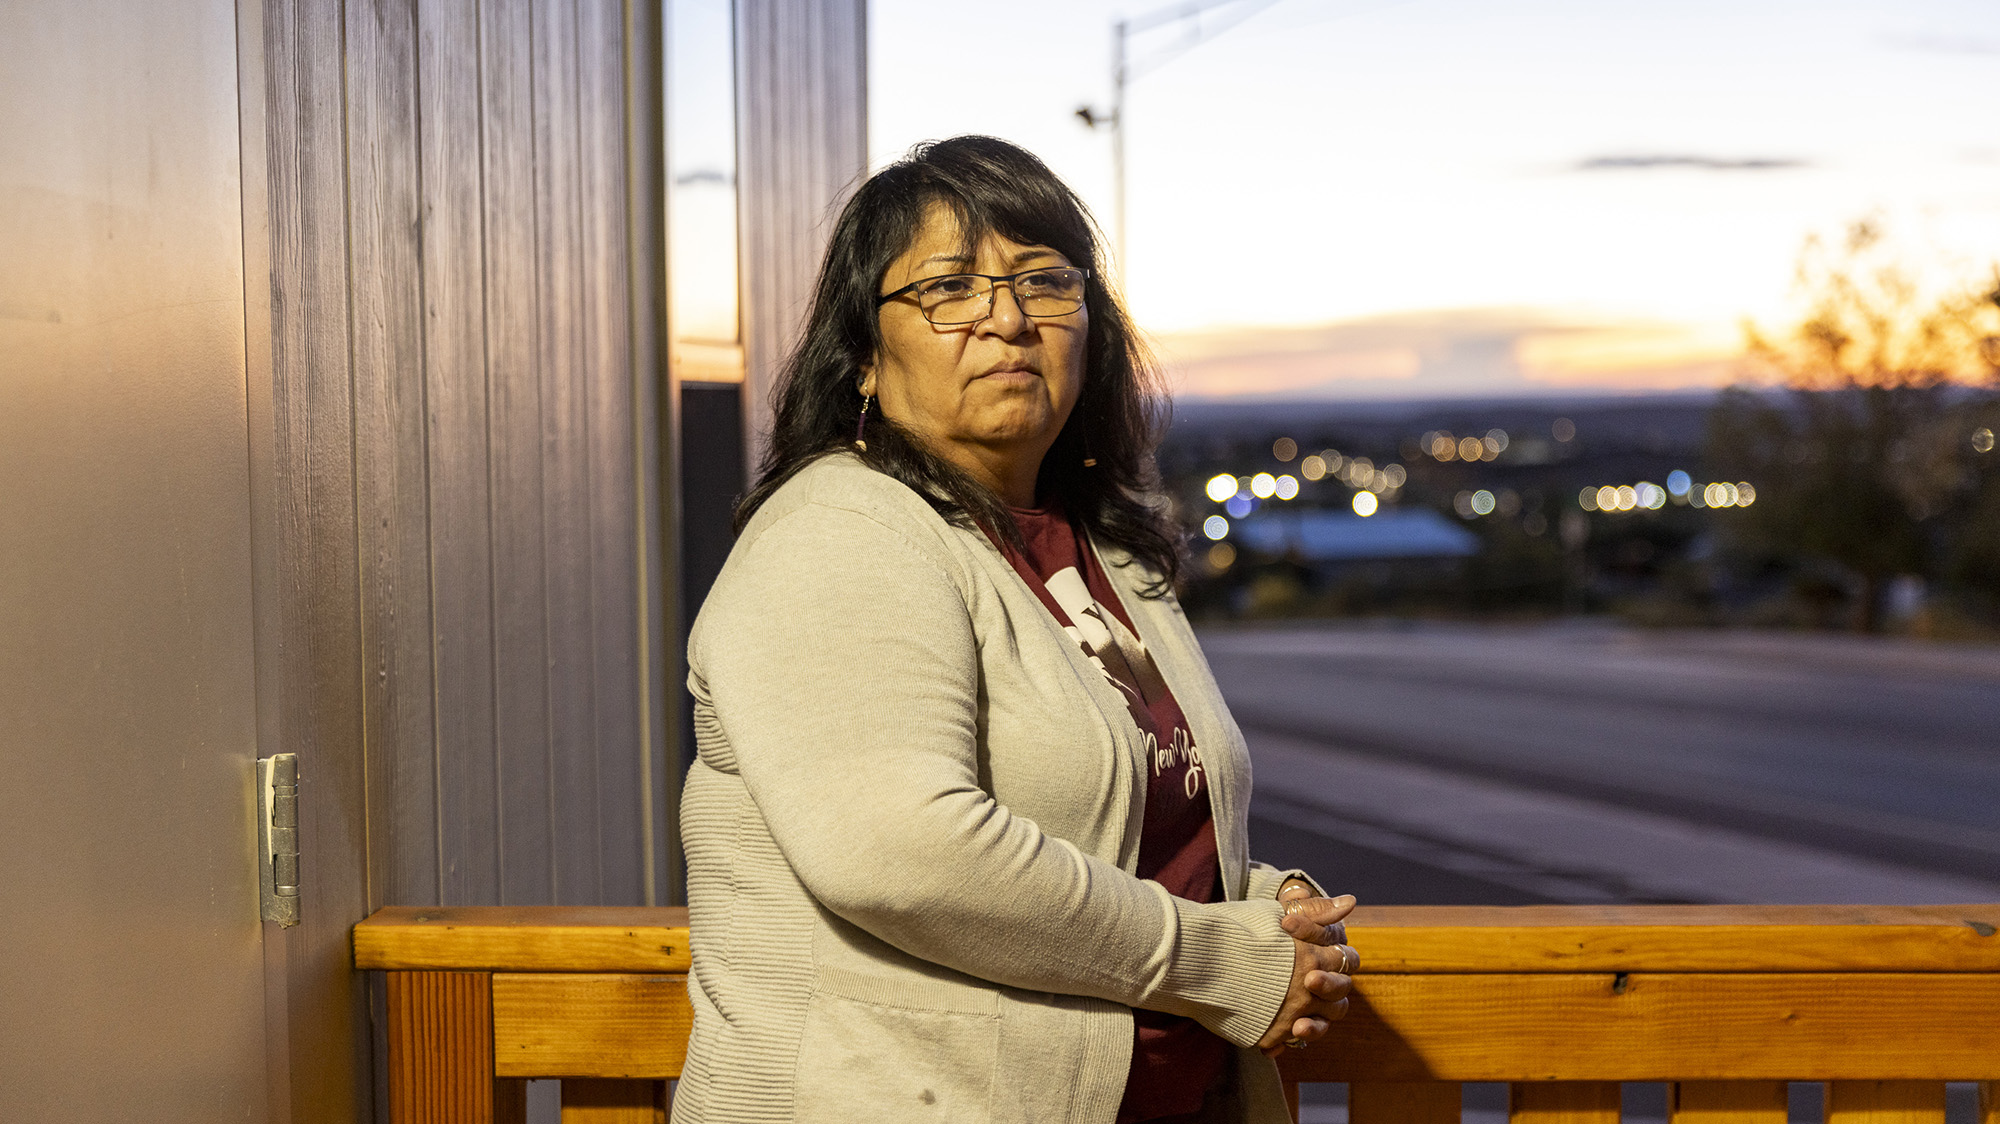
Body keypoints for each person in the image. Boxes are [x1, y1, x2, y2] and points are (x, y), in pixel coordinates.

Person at [675, 135, 1356, 1124]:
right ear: (862, 354)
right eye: (947, 288)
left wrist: (1258, 904)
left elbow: (1105, 828)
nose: (1006, 318)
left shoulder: (1098, 553)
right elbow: (903, 850)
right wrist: (1221, 960)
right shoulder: (840, 533)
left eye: (1044, 280)